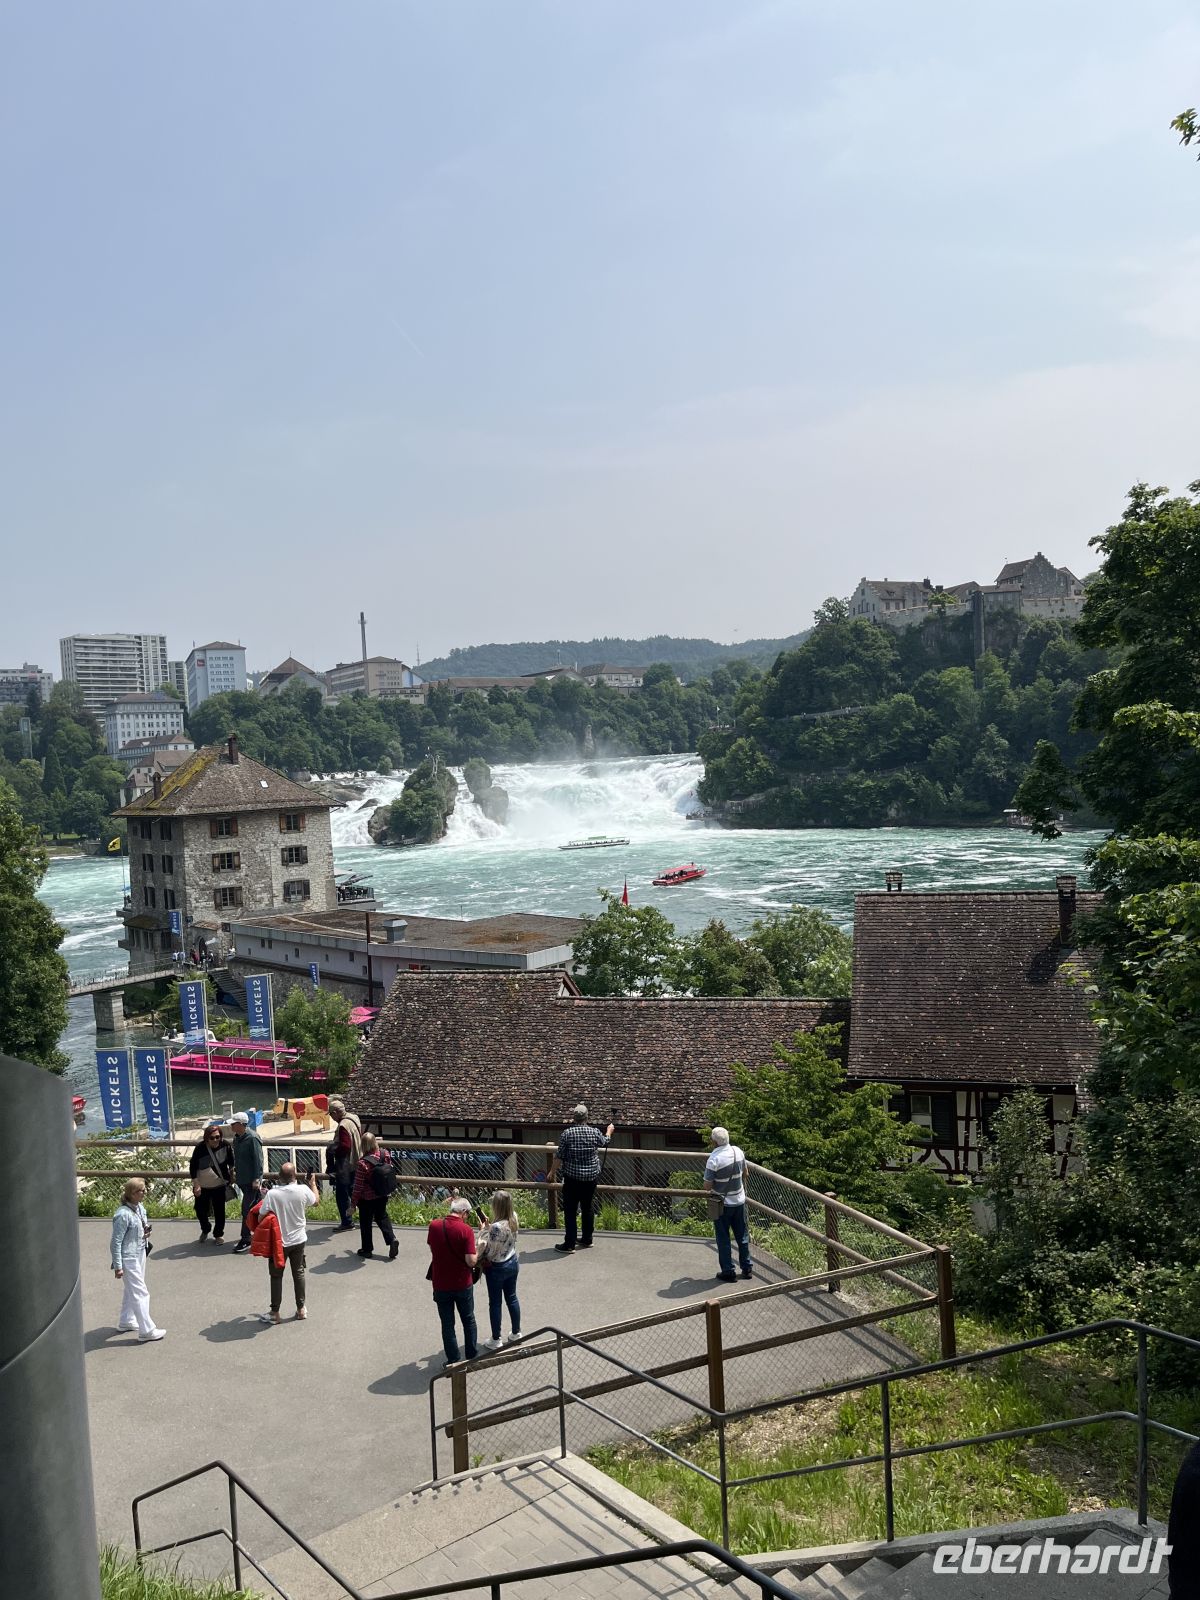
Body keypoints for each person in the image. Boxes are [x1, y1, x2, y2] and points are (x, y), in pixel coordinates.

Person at [255, 1163, 319, 1324]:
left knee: (276, 1276)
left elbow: (260, 1218)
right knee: (299, 1273)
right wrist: (312, 1183)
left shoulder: (273, 1194)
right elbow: (316, 1201)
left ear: (279, 1177)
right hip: (299, 1240)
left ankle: (275, 1312)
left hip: (279, 1242)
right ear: (295, 1175)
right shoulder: (303, 1190)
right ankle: (301, 1309)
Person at [549, 1103, 614, 1253]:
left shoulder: (567, 1134)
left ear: (574, 1118)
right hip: (590, 1178)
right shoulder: (594, 1132)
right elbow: (605, 1142)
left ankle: (569, 1244)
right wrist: (609, 1131)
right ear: (586, 1117)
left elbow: (559, 1157)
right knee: (587, 1207)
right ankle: (587, 1239)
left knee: (570, 1210)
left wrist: (551, 1172)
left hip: (572, 1178)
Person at [110, 1178, 165, 1342]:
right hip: (129, 1257)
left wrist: (145, 1233)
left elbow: (139, 1227)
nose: (144, 1192)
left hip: (140, 1252)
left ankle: (126, 1321)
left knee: (131, 1290)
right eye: (140, 1190)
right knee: (141, 1292)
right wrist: (118, 1266)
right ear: (131, 1194)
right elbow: (116, 1242)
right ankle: (147, 1330)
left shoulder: (139, 1207)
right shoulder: (122, 1215)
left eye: (144, 1189)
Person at [426, 1196, 479, 1364]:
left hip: (441, 1283)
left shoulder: (434, 1226)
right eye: (468, 1214)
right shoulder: (466, 1230)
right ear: (463, 1212)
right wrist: (479, 1247)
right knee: (468, 1319)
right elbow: (471, 1261)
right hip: (462, 1282)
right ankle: (471, 1356)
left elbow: (432, 1246)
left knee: (447, 1324)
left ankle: (453, 1360)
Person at [704, 1126, 752, 1282]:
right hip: (739, 1201)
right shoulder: (738, 1151)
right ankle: (747, 1268)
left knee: (723, 1238)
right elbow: (746, 1173)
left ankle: (728, 1271)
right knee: (742, 1236)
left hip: (722, 1204)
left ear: (714, 1142)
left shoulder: (714, 1159)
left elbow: (707, 1186)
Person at [477, 1189, 522, 1351]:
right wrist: (489, 1229)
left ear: (497, 1206)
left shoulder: (495, 1227)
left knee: (495, 1303)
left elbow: (489, 1250)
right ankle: (516, 1333)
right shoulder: (513, 1218)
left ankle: (496, 1338)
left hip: (497, 1268)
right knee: (512, 1298)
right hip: (512, 1262)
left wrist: (482, 1231)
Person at [352, 1132, 399, 1260]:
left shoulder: (362, 1163)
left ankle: (367, 1249)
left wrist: (353, 1204)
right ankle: (392, 1239)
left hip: (367, 1197)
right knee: (382, 1216)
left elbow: (358, 1186)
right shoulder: (385, 1154)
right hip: (383, 1193)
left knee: (365, 1221)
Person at [189, 1121, 235, 1244]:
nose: (215, 1140)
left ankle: (218, 1234)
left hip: (219, 1184)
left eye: (218, 1137)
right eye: (212, 1138)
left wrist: (231, 1175)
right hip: (203, 1186)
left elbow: (231, 1162)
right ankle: (206, 1228)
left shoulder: (225, 1145)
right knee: (200, 1210)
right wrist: (196, 1185)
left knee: (220, 1211)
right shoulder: (200, 1148)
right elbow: (193, 1167)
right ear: (206, 1138)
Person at [325, 1097, 363, 1231]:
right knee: (356, 1190)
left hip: (347, 1164)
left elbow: (345, 1147)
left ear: (336, 1112)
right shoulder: (354, 1118)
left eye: (331, 1114)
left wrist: (333, 1150)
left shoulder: (342, 1126)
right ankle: (367, 1216)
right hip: (358, 1159)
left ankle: (347, 1222)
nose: (331, 1117)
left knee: (342, 1194)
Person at [230, 1111, 264, 1253]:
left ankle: (245, 1239)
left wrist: (257, 1179)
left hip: (251, 1182)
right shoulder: (237, 1138)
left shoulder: (252, 1138)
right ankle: (263, 1232)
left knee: (246, 1209)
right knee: (256, 1208)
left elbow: (258, 1160)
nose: (231, 1125)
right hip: (242, 1180)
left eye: (234, 1123)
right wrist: (233, 1171)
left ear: (241, 1124)